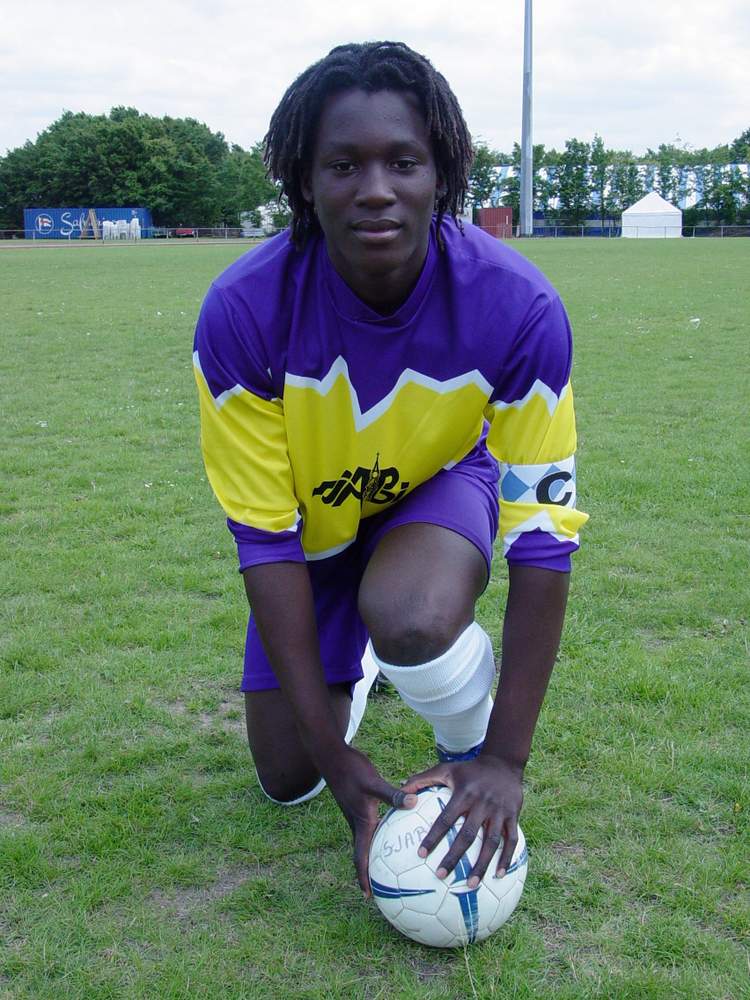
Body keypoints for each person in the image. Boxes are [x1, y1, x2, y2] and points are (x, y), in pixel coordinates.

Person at [193, 41, 588, 898]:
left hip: (436, 499)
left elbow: (546, 545)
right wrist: (335, 757)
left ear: (440, 173)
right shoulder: (242, 314)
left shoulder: (519, 309)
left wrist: (503, 759)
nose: (375, 188)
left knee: (409, 613)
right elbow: (265, 544)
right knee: (286, 778)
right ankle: (360, 668)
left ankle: (450, 720)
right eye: (344, 164)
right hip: (315, 542)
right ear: (304, 179)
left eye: (403, 161)